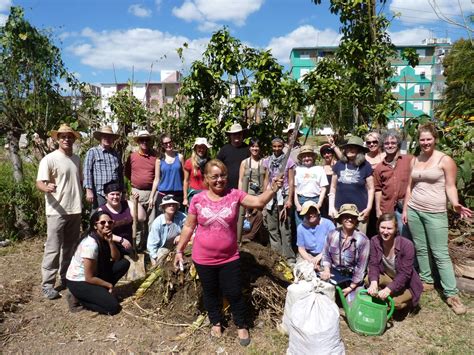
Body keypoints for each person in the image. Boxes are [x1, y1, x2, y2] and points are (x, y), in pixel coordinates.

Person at [173, 159, 284, 346]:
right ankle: (215, 321)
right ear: (207, 178)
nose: (219, 180)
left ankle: (241, 324)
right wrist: (179, 250)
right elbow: (188, 227)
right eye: (214, 176)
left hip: (229, 257)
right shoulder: (198, 199)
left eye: (223, 175)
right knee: (210, 292)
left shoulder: (235, 195)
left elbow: (258, 202)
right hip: (203, 258)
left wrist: (273, 188)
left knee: (234, 292)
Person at [402, 123, 472, 315]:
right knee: (421, 248)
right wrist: (407, 209)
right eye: (422, 139)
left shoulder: (445, 160)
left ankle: (452, 293)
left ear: (435, 139)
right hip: (415, 209)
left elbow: (450, 186)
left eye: (428, 139)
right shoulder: (415, 160)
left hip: (435, 213)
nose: (425, 143)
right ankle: (427, 280)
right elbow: (410, 187)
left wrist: (455, 203)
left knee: (440, 253)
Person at [36, 124, 83, 300]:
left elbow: (79, 180)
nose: (66, 139)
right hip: (56, 211)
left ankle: (65, 278)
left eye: (69, 136)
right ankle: (48, 284)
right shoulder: (49, 159)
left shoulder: (77, 159)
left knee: (70, 247)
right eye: (62, 136)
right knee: (53, 248)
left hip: (75, 209)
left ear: (73, 139)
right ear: (57, 139)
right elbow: (39, 182)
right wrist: (46, 187)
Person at [65, 211, 130, 315]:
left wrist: (110, 242)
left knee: (123, 263)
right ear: (95, 226)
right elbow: (89, 277)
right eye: (103, 222)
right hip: (79, 281)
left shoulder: (104, 236)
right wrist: (108, 285)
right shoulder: (90, 245)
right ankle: (78, 298)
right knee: (113, 307)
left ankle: (100, 293)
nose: (107, 225)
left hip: (95, 273)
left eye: (110, 222)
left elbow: (116, 258)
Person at [367, 213, 423, 310]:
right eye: (382, 227)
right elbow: (373, 264)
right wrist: (374, 282)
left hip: (406, 284)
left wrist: (389, 289)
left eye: (389, 228)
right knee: (369, 279)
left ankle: (409, 302)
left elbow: (405, 274)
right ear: (378, 227)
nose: (385, 231)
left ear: (396, 229)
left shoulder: (406, 245)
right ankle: (382, 295)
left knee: (395, 303)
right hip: (389, 277)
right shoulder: (374, 241)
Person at [320, 204, 370, 303]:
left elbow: (361, 268)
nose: (349, 219)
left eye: (352, 217)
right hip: (333, 273)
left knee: (353, 304)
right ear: (341, 218)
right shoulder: (332, 234)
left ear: (356, 220)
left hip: (352, 277)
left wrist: (351, 287)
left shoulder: (363, 240)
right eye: (346, 216)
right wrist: (326, 270)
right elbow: (326, 255)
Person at [329, 136, 374, 234]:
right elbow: (333, 187)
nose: (350, 150)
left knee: (359, 240)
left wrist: (369, 208)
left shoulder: (366, 166)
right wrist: (331, 207)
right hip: (341, 211)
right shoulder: (339, 165)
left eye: (353, 147)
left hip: (360, 211)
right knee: (342, 239)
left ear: (360, 150)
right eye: (348, 147)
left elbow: (371, 189)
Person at [373, 129, 413, 237]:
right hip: (387, 207)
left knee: (406, 237)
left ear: (398, 144)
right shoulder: (380, 168)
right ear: (383, 145)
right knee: (389, 236)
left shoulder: (409, 160)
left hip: (405, 207)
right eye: (386, 143)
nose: (390, 145)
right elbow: (378, 190)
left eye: (393, 143)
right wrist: (378, 209)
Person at [263, 137, 296, 265]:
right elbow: (266, 178)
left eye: (279, 146)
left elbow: (291, 181)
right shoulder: (268, 161)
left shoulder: (289, 161)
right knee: (272, 227)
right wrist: (265, 195)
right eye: (274, 146)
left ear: (283, 146)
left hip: (284, 195)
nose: (277, 149)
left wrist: (290, 199)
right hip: (271, 195)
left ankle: (288, 257)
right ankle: (276, 255)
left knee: (285, 227)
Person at [124, 130, 157, 249]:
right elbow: (127, 173)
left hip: (151, 192)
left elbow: (158, 176)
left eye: (147, 140)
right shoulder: (132, 157)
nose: (144, 142)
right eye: (142, 140)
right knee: (136, 220)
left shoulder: (155, 157)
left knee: (151, 221)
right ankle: (136, 246)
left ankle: (149, 246)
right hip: (136, 192)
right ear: (138, 142)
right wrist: (135, 185)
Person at [98, 181, 146, 256]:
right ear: (106, 196)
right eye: (112, 194)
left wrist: (136, 201)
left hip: (129, 246)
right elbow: (102, 233)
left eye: (118, 194)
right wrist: (121, 240)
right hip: (111, 247)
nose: (115, 197)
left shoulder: (127, 204)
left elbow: (142, 218)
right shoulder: (102, 210)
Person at [84, 126, 123, 209]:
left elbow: (120, 174)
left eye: (110, 137)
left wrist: (122, 190)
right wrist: (89, 190)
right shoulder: (93, 152)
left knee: (112, 218)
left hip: (114, 194)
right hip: (99, 193)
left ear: (113, 139)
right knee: (98, 216)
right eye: (105, 136)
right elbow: (87, 171)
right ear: (100, 138)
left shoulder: (116, 154)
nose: (107, 138)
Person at [238, 138, 266, 242]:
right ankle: (244, 237)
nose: (255, 148)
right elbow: (240, 180)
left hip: (259, 196)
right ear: (249, 148)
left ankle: (255, 239)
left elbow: (267, 179)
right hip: (247, 195)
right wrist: (240, 195)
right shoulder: (244, 163)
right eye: (253, 146)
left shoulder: (264, 162)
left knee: (259, 216)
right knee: (246, 217)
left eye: (257, 146)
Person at [149, 134, 185, 213]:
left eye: (170, 142)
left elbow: (185, 177)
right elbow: (156, 179)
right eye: (165, 143)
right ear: (162, 145)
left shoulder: (180, 157)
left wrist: (185, 196)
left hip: (178, 195)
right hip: (163, 195)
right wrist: (151, 197)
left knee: (179, 221)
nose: (168, 144)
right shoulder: (159, 160)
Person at [294, 145, 329, 226]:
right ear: (301, 158)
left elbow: (323, 188)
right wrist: (297, 204)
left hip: (315, 199)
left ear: (313, 157)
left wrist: (319, 203)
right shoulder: (297, 170)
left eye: (309, 156)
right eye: (304, 156)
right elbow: (294, 189)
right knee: (301, 226)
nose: (306, 158)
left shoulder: (319, 169)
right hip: (301, 200)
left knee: (316, 225)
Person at [147, 195, 186, 266]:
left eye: (173, 204)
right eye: (169, 205)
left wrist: (181, 236)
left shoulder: (182, 217)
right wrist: (155, 259)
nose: (172, 206)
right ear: (163, 207)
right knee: (162, 256)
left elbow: (192, 228)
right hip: (161, 249)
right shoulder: (157, 222)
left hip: (177, 247)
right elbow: (151, 245)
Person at [296, 201, 335, 270]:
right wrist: (310, 260)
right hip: (309, 254)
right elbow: (301, 249)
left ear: (317, 212)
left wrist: (320, 256)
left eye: (313, 211)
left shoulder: (328, 224)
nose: (311, 215)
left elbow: (333, 246)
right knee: (302, 268)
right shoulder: (301, 228)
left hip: (326, 254)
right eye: (307, 213)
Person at [217, 122, 250, 189]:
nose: (237, 136)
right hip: (227, 188)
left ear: (242, 135)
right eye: (234, 134)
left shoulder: (247, 149)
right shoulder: (224, 149)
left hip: (244, 187)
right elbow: (217, 166)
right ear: (230, 136)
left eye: (239, 134)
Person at [183, 137, 212, 208]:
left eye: (203, 147)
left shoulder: (210, 162)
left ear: (206, 149)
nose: (201, 149)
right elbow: (186, 181)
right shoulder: (189, 162)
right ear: (195, 148)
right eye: (199, 147)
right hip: (194, 195)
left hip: (207, 194)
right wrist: (185, 198)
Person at [319, 143, 337, 219]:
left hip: (335, 197)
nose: (326, 155)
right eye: (324, 153)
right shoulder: (320, 168)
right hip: (324, 199)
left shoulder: (338, 166)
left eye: (328, 153)